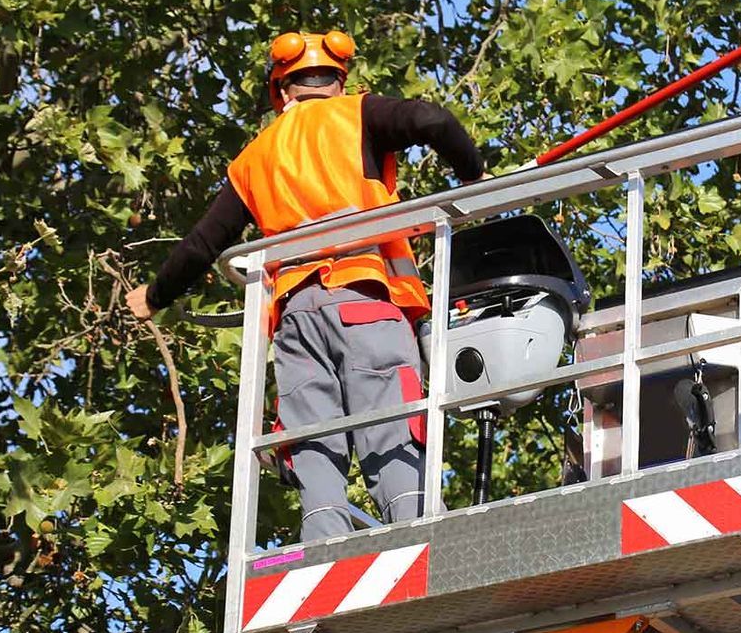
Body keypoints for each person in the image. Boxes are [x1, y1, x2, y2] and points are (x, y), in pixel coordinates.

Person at [125, 29, 486, 541]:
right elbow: (434, 121)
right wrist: (473, 175)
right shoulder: (356, 114)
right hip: (365, 302)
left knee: (312, 440)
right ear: (339, 82)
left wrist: (154, 296)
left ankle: (323, 550)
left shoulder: (256, 156)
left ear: (281, 92)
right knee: (390, 425)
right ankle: (421, 535)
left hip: (296, 321)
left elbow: (202, 244)